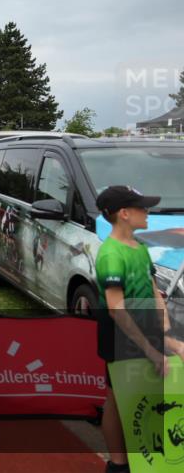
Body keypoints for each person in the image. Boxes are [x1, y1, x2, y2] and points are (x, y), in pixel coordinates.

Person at [94, 185, 184, 473]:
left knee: (140, 394)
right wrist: (151, 349)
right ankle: (119, 464)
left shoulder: (140, 248)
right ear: (124, 213)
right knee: (117, 396)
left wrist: (167, 334)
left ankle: (147, 458)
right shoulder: (111, 254)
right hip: (120, 333)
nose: (147, 212)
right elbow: (116, 308)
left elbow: (155, 293)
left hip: (144, 328)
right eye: (142, 207)